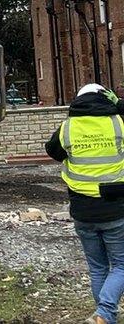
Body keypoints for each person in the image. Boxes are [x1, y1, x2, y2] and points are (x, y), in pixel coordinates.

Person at [46, 83, 124, 324]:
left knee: (98, 267)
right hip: (115, 206)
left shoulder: (67, 127)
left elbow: (53, 151)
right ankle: (104, 312)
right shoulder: (118, 123)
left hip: (82, 210)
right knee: (121, 264)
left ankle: (105, 315)